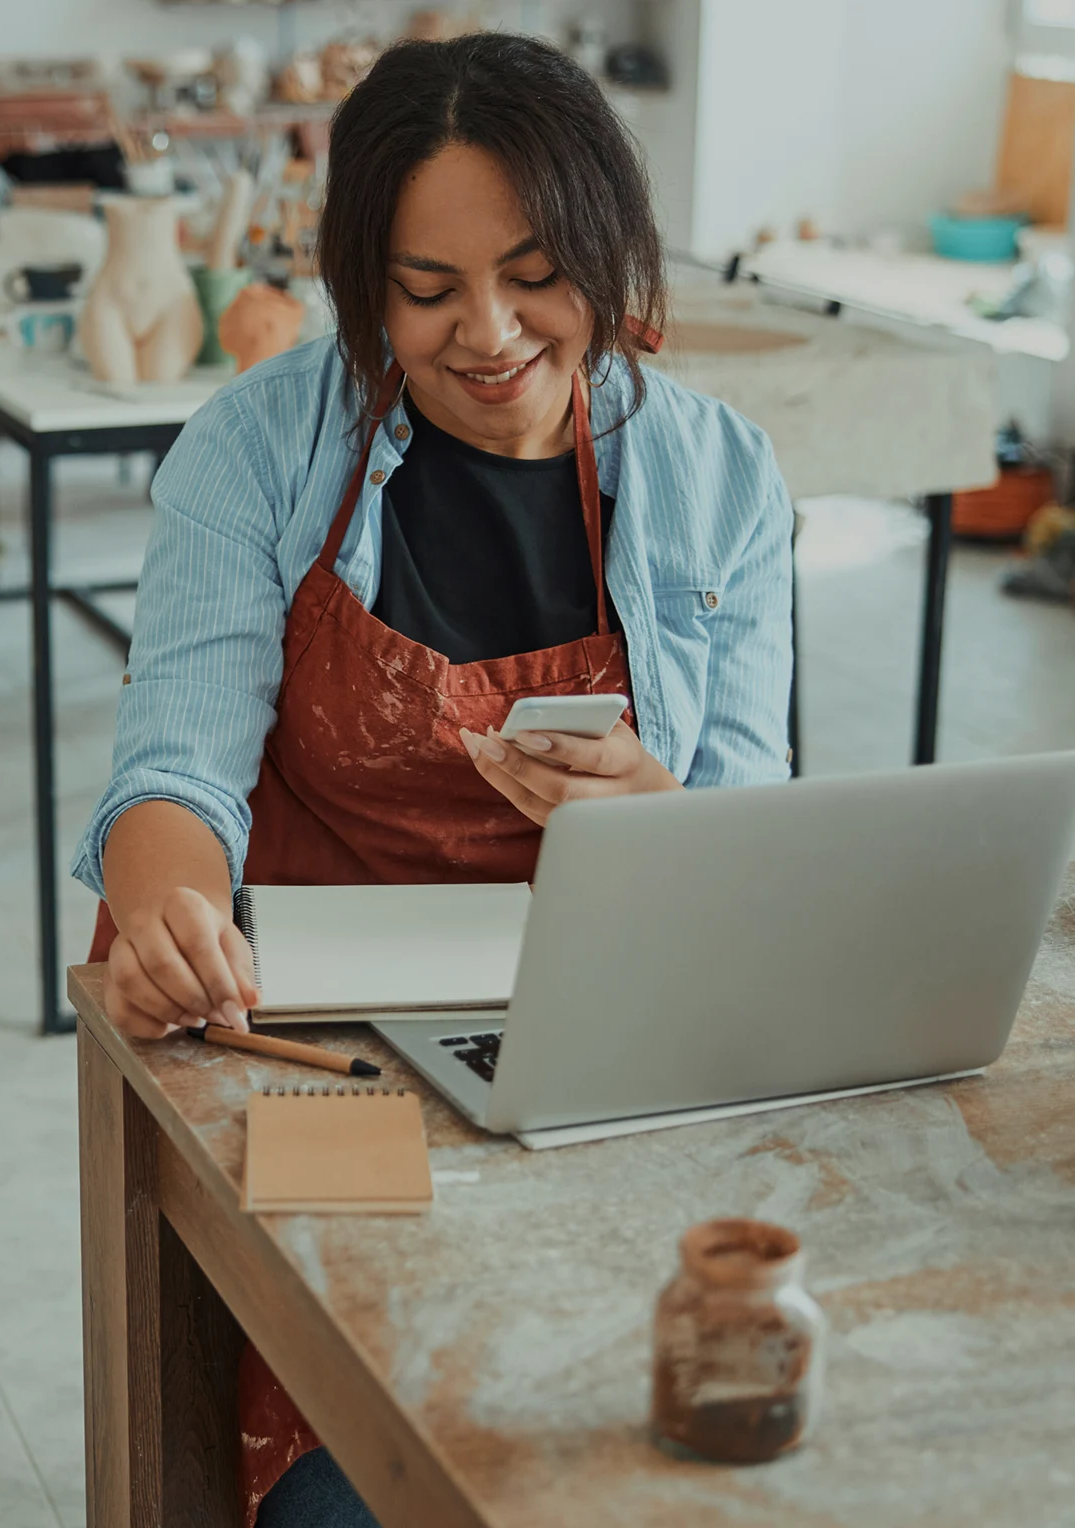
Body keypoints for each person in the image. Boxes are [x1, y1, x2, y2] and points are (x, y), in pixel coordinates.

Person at [72, 32, 796, 1525]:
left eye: (537, 273)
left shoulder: (722, 478)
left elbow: (758, 841)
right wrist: (166, 921)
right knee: (374, 1425)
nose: (488, 333)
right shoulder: (257, 450)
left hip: (604, 1022)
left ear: (610, 251)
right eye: (425, 291)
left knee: (626, 1423)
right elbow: (175, 766)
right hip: (321, 1038)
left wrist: (662, 824)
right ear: (362, 289)